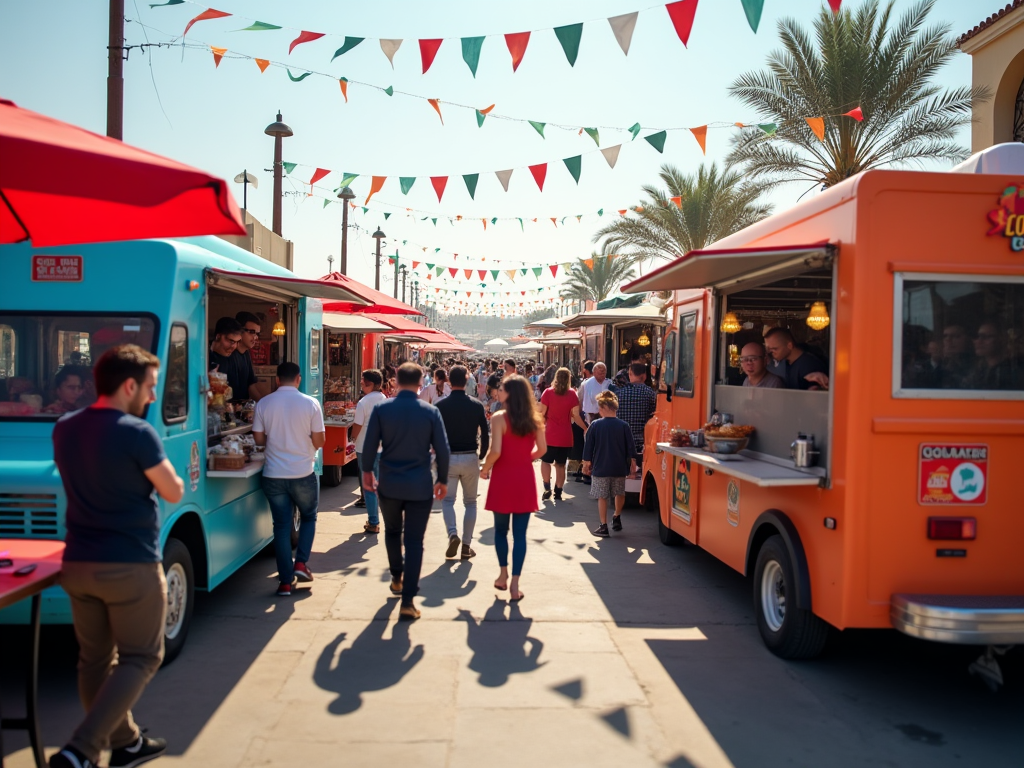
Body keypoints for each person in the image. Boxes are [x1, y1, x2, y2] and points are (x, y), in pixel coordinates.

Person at [50, 345, 184, 768]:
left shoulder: (65, 427)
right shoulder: (136, 431)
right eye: (148, 387)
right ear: (129, 385)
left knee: (94, 659)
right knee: (142, 656)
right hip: (128, 562)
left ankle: (125, 741)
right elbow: (172, 491)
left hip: (78, 562)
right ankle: (82, 749)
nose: (150, 396)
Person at [361, 362, 449, 620]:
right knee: (414, 541)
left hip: (389, 482)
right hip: (420, 484)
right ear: (421, 382)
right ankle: (408, 600)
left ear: (395, 381)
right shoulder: (430, 412)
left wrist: (367, 471)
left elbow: (370, 445)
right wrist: (442, 479)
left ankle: (396, 576)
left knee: (392, 532)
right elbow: (442, 450)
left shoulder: (382, 409)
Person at [253, 362, 326, 596]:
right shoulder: (310, 403)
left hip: (273, 475)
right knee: (308, 517)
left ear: (276, 380)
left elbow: (259, 441)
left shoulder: (264, 403)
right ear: (299, 379)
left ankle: (285, 582)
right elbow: (320, 442)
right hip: (302, 472)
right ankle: (301, 563)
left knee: (281, 527)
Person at [481, 375, 545, 602]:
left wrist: (485, 467)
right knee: (520, 535)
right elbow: (542, 449)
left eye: (501, 389)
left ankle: (502, 573)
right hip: (524, 478)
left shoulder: (499, 418)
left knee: (500, 531)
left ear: (509, 394)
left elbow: (495, 450)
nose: (498, 391)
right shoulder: (534, 419)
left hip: (503, 477)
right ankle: (515, 584)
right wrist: (524, 458)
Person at [436, 365, 489, 560]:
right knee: (470, 502)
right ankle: (466, 545)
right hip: (469, 456)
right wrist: (481, 456)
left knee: (448, 501)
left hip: (448, 457)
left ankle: (452, 534)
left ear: (449, 381)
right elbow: (485, 433)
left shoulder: (440, 406)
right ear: (467, 381)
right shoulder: (476, 405)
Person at [582, 390, 638, 538]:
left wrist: (586, 464)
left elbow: (589, 447)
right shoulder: (623, 425)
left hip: (601, 466)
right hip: (619, 466)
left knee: (602, 496)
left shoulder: (595, 425)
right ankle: (617, 516)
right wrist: (632, 463)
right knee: (619, 492)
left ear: (602, 409)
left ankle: (603, 525)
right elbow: (630, 447)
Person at [538, 367, 587, 501]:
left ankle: (547, 486)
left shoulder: (547, 393)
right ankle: (558, 491)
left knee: (545, 461)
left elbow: (542, 413)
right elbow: (576, 416)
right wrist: (585, 427)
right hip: (565, 435)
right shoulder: (572, 394)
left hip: (549, 434)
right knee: (560, 464)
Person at [350, 369, 386, 530]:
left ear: (374, 384)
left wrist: (351, 439)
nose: (363, 385)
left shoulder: (364, 402)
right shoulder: (385, 400)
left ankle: (373, 522)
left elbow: (357, 425)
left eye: (365, 383)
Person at [764, 328, 829, 390]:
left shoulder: (809, 365)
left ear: (789, 345)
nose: (771, 352)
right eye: (769, 349)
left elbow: (814, 395)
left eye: (775, 349)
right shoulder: (788, 362)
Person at [208, 317, 256, 401]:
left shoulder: (235, 356)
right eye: (231, 341)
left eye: (237, 342)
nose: (234, 346)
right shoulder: (203, 357)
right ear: (218, 336)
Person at [615, 362, 658, 456]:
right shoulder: (650, 393)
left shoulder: (619, 394)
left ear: (630, 374)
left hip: (622, 441)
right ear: (645, 376)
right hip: (643, 443)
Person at [966, 321, 1022, 390]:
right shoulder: (975, 371)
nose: (979, 341)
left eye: (986, 337)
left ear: (1002, 339)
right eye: (976, 337)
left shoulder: (1015, 370)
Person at [234, 311, 265, 401]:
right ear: (239, 331)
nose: (255, 337)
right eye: (252, 332)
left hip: (242, 411)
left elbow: (251, 385)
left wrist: (263, 404)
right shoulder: (228, 355)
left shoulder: (246, 354)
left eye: (257, 334)